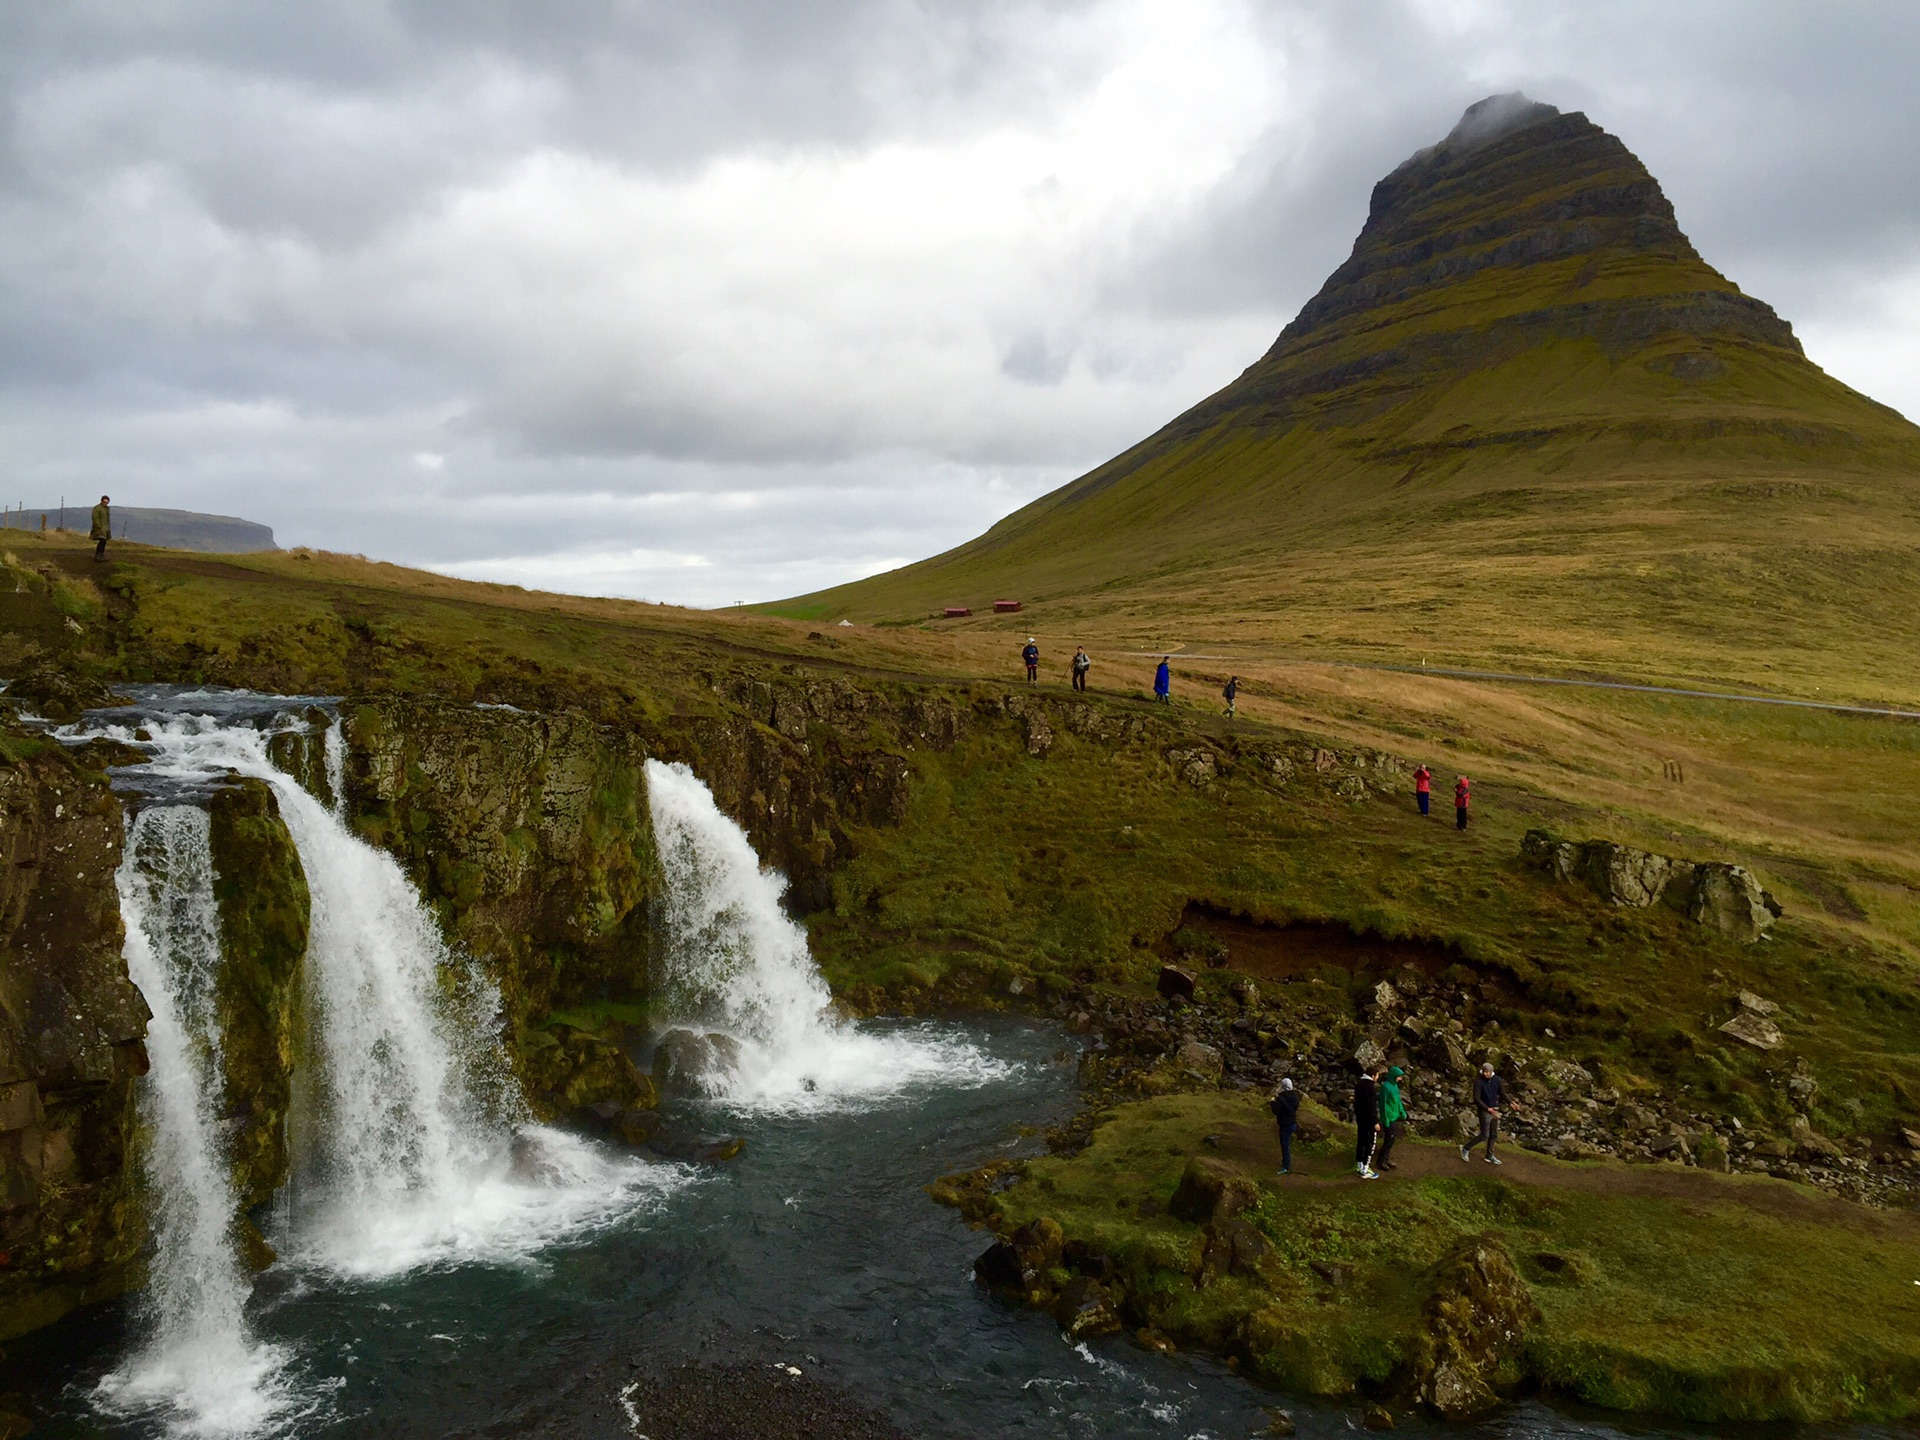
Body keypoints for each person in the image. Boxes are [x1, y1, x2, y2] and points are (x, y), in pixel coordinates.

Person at [1463, 1061, 1505, 1165]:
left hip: (1494, 1109)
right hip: (1484, 1110)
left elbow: (1502, 1093)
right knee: (1484, 1135)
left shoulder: (1497, 1080)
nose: (1485, 1073)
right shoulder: (1478, 1082)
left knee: (1493, 1134)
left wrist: (1511, 1102)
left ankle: (1489, 1155)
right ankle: (1465, 1148)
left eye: (1487, 1072)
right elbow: (1477, 1099)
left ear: (1491, 1072)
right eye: (1484, 1071)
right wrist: (1487, 1109)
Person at [1376, 1066, 1409, 1170]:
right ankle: (1381, 1161)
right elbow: (1383, 1105)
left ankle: (1386, 1159)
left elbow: (1398, 1101)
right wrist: (1385, 1119)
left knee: (1391, 1139)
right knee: (1389, 1140)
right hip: (1389, 1117)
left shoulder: (1394, 1086)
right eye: (1399, 1077)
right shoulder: (1386, 1087)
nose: (1400, 1079)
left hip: (1394, 1116)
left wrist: (1402, 1112)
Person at [1353, 1062, 1382, 1178]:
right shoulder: (1369, 1087)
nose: (1378, 1078)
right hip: (1369, 1120)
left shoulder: (1359, 1085)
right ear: (1373, 1075)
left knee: (1361, 1141)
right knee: (1370, 1143)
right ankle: (1365, 1169)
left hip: (1360, 1119)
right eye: (1377, 1075)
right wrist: (1375, 1121)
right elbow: (1371, 1107)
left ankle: (1359, 1165)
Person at [1269, 1077, 1301, 1175]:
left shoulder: (1281, 1098)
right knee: (1286, 1145)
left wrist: (1272, 1102)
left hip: (1285, 1124)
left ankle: (1286, 1166)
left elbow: (1276, 1111)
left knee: (1285, 1146)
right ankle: (1286, 1164)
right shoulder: (1294, 1097)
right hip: (1292, 1123)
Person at [89, 494, 111, 561]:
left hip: (105, 528)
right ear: (101, 501)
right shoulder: (97, 508)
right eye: (104, 502)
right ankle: (99, 555)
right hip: (99, 529)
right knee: (102, 541)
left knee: (103, 541)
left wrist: (107, 529)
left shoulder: (106, 509)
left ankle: (99, 555)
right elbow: (95, 518)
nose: (105, 503)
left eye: (107, 502)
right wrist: (99, 527)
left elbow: (106, 520)